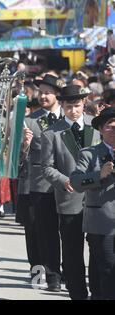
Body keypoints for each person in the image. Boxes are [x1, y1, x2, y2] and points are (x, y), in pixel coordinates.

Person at [41, 85, 100, 300]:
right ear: (62, 106)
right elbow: (46, 167)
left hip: (96, 198)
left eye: (77, 106)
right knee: (72, 250)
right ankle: (77, 293)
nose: (73, 111)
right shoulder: (51, 133)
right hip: (68, 198)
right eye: (68, 107)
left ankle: (98, 290)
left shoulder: (97, 128)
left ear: (84, 104)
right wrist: (64, 180)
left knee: (98, 249)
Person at [22, 74, 64, 291]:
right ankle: (50, 275)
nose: (43, 96)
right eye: (41, 92)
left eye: (48, 92)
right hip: (40, 185)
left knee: (69, 233)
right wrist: (24, 146)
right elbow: (18, 160)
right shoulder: (30, 120)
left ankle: (69, 271)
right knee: (43, 232)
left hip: (69, 185)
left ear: (57, 94)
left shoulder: (70, 116)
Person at [70, 107, 115, 300]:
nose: (114, 130)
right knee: (107, 268)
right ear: (101, 130)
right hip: (102, 222)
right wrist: (99, 175)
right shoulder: (90, 154)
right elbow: (76, 182)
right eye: (110, 127)